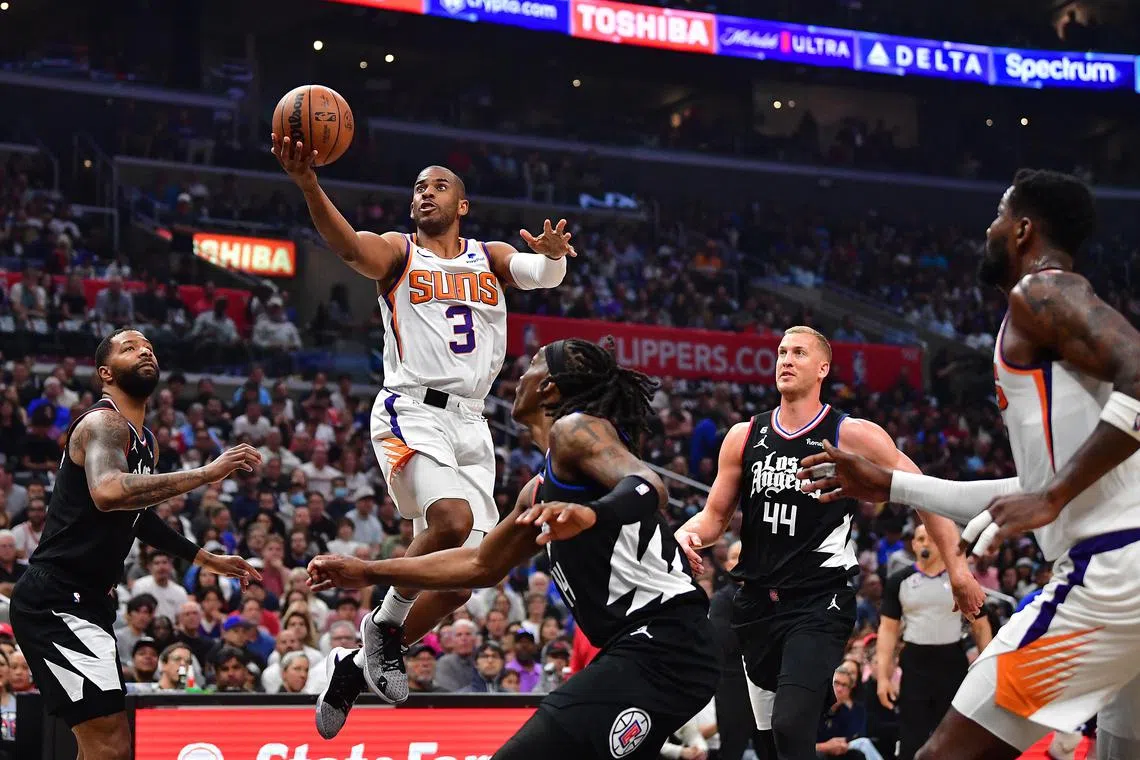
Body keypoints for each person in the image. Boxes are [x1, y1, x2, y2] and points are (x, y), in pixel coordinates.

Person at [798, 170, 1140, 759]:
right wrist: (894, 485)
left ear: (1023, 229)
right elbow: (1030, 489)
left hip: (1111, 578)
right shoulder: (1056, 341)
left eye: (999, 216)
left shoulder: (1041, 291)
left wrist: (1052, 498)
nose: (989, 229)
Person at [273, 134, 576, 706]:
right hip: (411, 408)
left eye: (439, 186)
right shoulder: (399, 251)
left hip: (472, 422)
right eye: (418, 188)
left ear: (462, 205)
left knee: (465, 579)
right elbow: (350, 248)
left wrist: (555, 255)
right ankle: (383, 627)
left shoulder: (488, 256)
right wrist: (309, 183)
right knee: (453, 521)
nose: (425, 194)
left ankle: (356, 667)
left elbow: (541, 274)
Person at [308, 337, 719, 757]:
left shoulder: (575, 429)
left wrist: (592, 515)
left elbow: (650, 486)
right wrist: (369, 571)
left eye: (534, 363)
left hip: (665, 642)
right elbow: (479, 565)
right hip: (648, 652)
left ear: (549, 387)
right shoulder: (537, 490)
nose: (519, 375)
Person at [673, 326, 984, 760]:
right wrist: (686, 534)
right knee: (772, 744)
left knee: (790, 724)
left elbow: (925, 494)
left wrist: (958, 569)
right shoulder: (744, 436)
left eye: (799, 353)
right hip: (756, 605)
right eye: (782, 352)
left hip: (819, 601)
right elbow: (714, 517)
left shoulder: (848, 433)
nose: (786, 360)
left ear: (823, 368)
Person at [8, 328, 262, 760]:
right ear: (105, 373)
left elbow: (137, 515)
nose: (145, 351)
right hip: (57, 599)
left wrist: (205, 558)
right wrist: (206, 474)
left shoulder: (148, 444)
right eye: (130, 348)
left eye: (150, 348)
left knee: (100, 745)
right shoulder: (103, 423)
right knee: (110, 745)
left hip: (88, 600)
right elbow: (109, 491)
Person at [875, 524, 992, 760]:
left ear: (941, 543)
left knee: (953, 735)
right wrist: (882, 677)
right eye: (920, 539)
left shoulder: (961, 580)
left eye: (931, 538)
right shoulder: (899, 580)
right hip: (915, 663)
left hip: (951, 661)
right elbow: (887, 630)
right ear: (913, 545)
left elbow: (980, 626)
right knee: (911, 736)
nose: (925, 543)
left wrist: (988, 670)